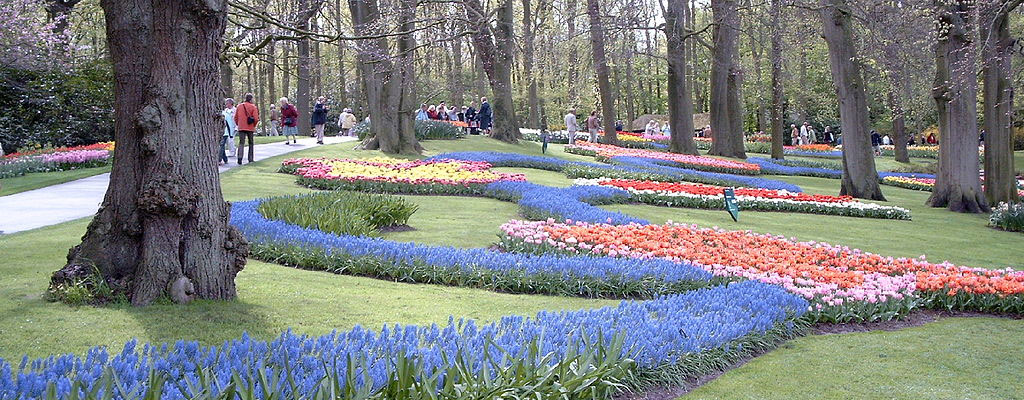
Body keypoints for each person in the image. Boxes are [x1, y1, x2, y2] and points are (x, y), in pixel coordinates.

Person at [233, 93, 260, 165]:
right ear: (251, 99)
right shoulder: (253, 107)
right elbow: (256, 118)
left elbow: (235, 117)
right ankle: (250, 159)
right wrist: (254, 125)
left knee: (241, 142)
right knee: (251, 142)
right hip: (250, 127)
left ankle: (239, 158)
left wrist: (239, 124)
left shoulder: (239, 106)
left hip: (241, 127)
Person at [220, 98, 237, 166]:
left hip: (233, 127)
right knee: (225, 143)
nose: (226, 104)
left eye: (227, 103)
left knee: (230, 140)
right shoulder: (225, 111)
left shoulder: (235, 110)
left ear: (231, 103)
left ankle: (232, 152)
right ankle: (225, 158)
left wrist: (236, 127)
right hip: (226, 128)